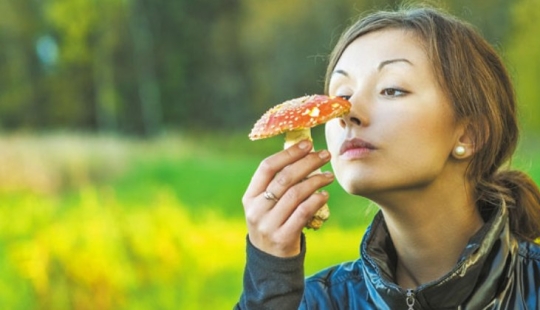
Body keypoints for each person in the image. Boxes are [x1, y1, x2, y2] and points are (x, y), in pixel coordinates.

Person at [235, 4, 540, 309]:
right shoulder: (316, 302)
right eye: (341, 95)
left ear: (470, 135)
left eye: (391, 90)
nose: (347, 113)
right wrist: (269, 285)